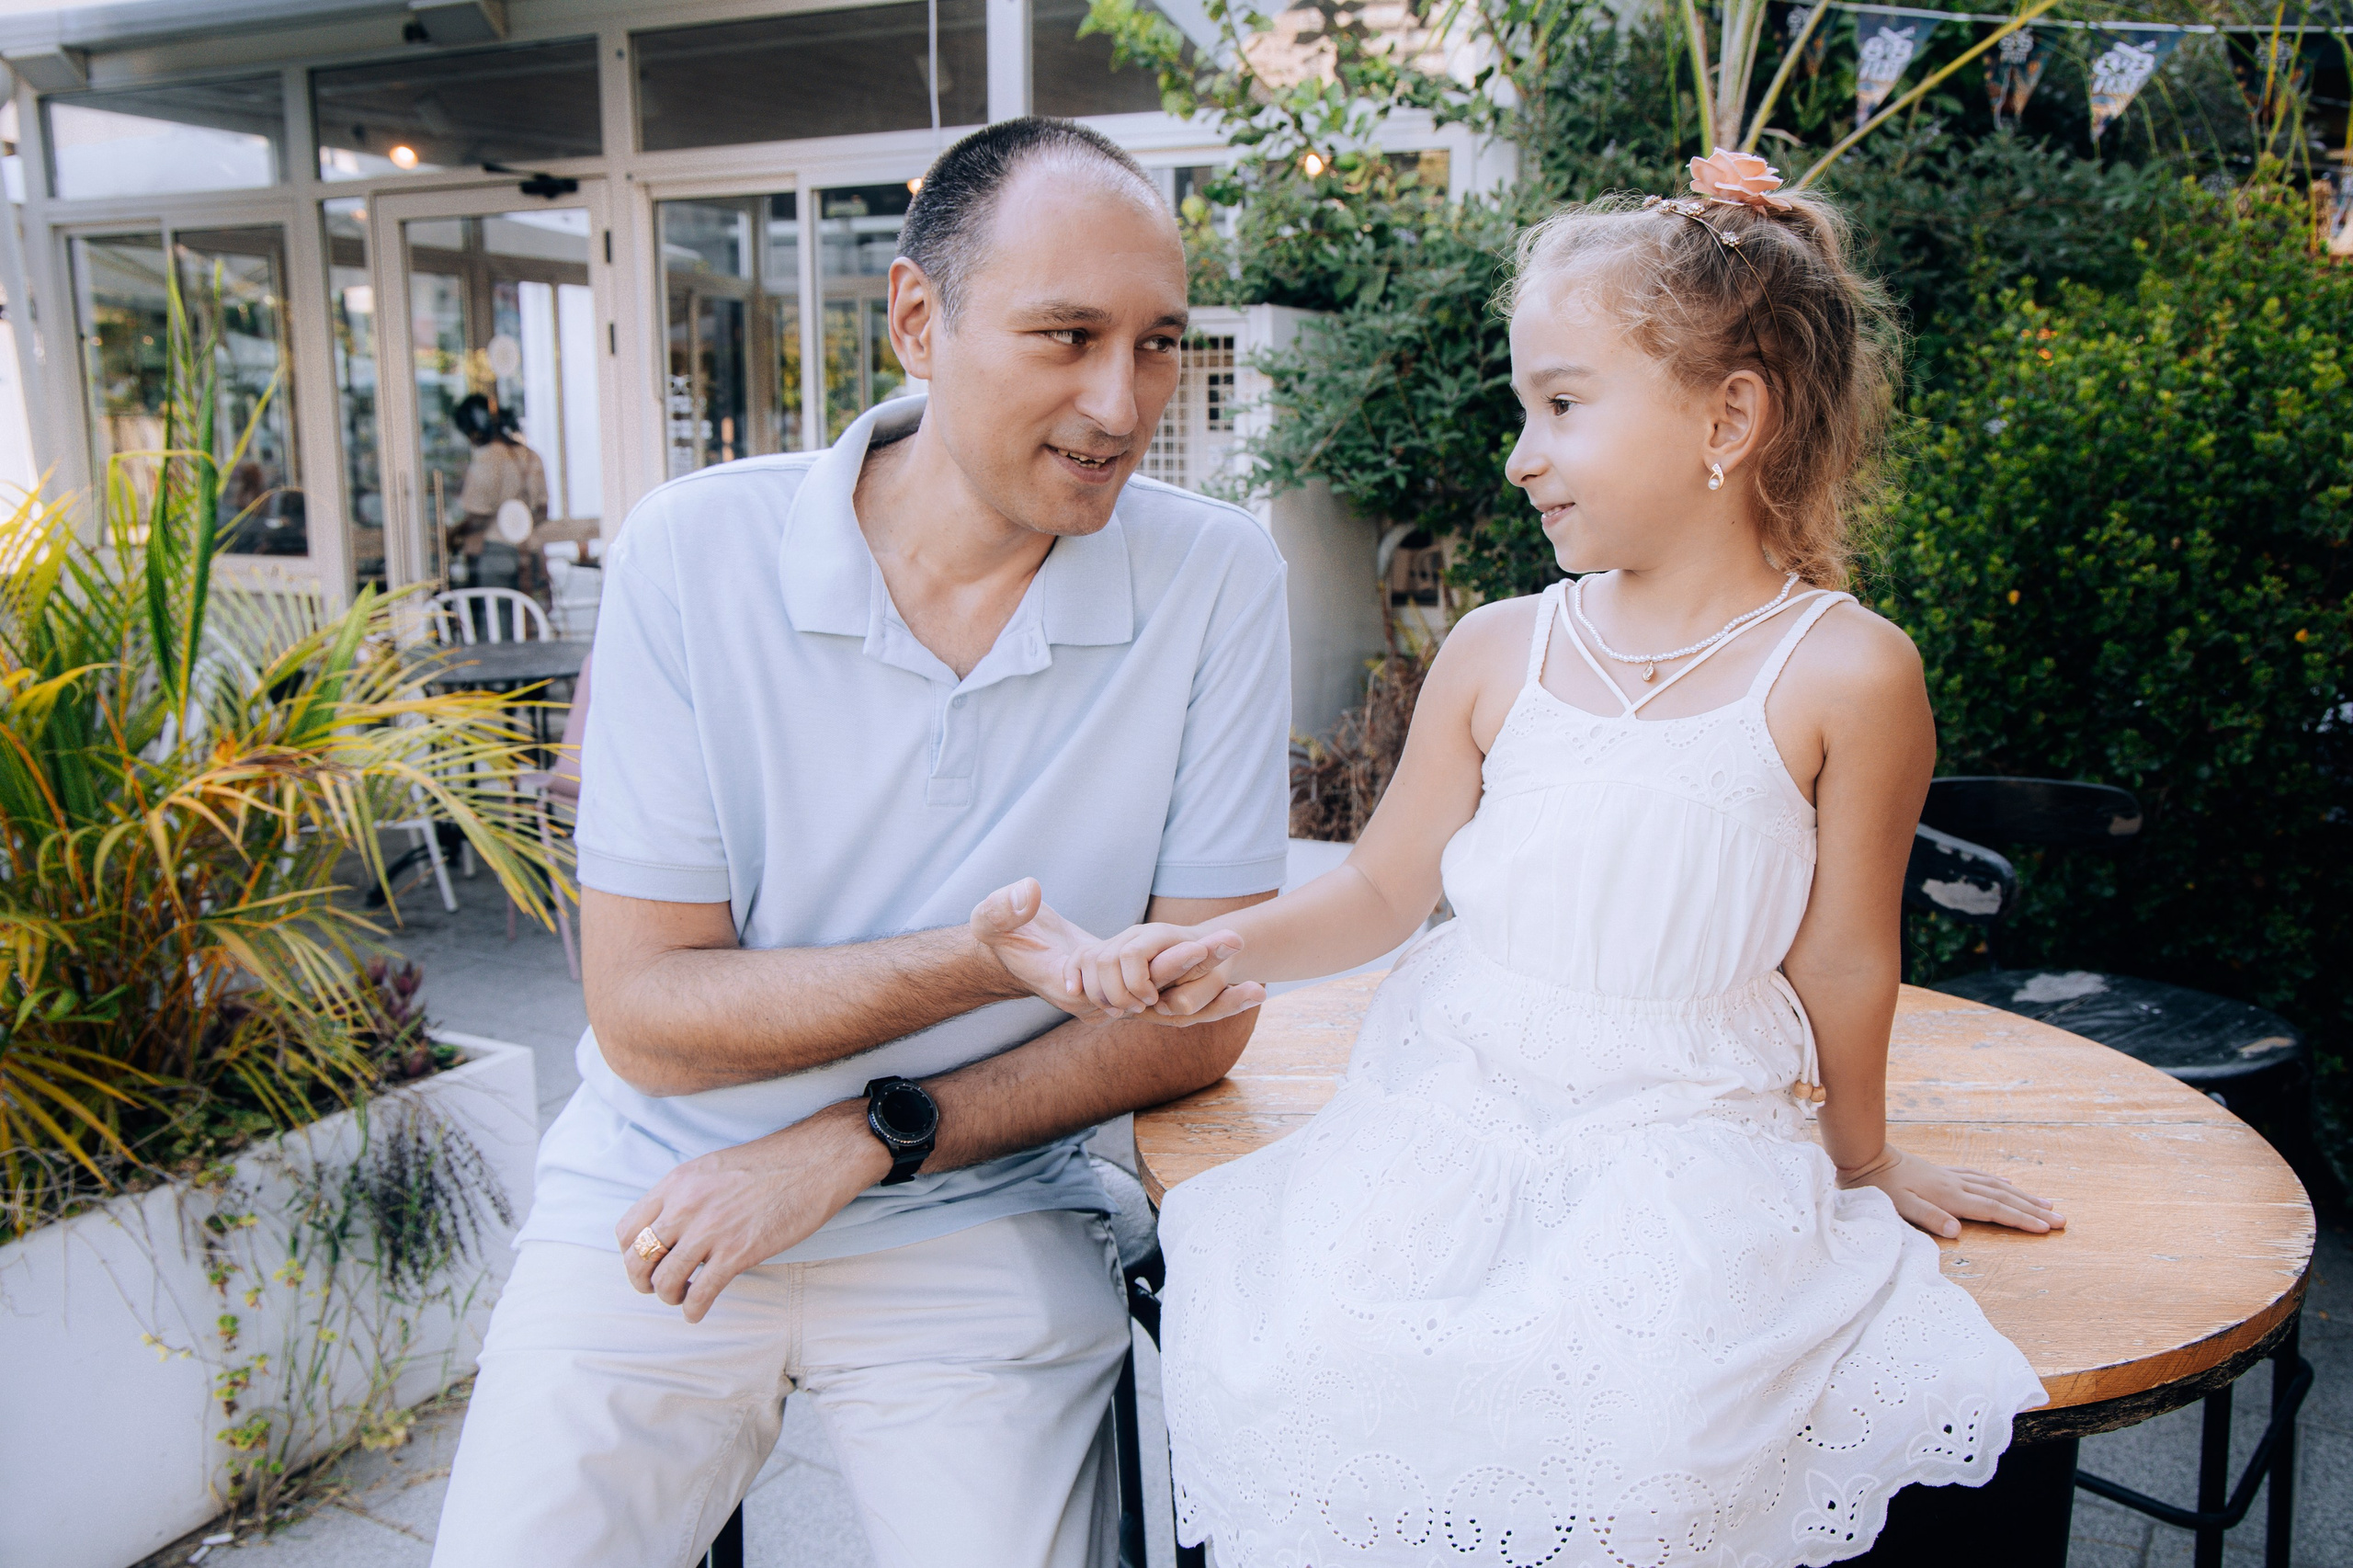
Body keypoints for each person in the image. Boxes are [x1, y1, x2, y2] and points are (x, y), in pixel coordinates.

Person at [1031, 153, 2064, 1567]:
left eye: (1563, 405)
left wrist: (1865, 1154)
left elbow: (1841, 952)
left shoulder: (1848, 671)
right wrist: (1226, 948)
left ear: (1732, 416)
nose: (1522, 454)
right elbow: (1386, 890)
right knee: (1322, 1358)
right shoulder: (1500, 647)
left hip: (1688, 1127)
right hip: (1457, 1094)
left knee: (1658, 1421)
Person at [429, 119, 1290, 1568]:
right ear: (917, 320)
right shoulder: (692, 554)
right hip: (656, 1192)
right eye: (1066, 333)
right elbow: (646, 1013)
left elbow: (1201, 1020)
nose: (1121, 398)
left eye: (1158, 344)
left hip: (983, 1212)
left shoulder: (1215, 575)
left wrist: (862, 1137)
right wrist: (970, 963)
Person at [448, 392, 547, 596]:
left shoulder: (488, 458)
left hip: (496, 552)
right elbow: (543, 510)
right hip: (531, 550)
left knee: (496, 619)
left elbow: (478, 515)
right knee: (529, 618)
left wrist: (454, 534)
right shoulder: (532, 456)